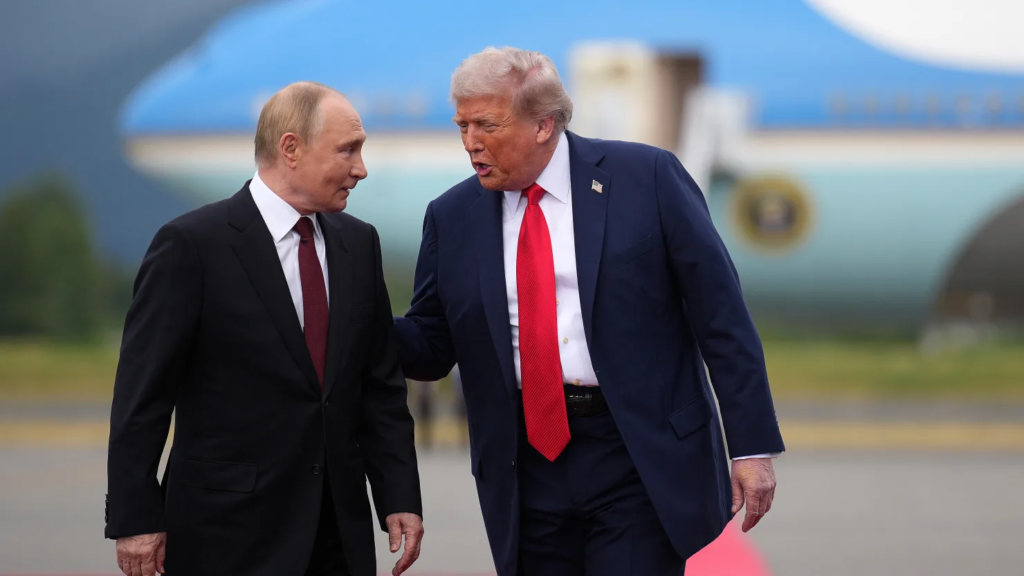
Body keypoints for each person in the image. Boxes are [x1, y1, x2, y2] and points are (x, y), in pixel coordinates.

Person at [393, 47, 785, 576]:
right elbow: (433, 343)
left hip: (635, 453)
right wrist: (357, 322)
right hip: (523, 463)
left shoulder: (646, 177)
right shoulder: (452, 216)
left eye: (486, 125)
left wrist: (752, 446)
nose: (471, 143)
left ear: (543, 125)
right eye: (462, 125)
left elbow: (722, 319)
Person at [105, 82, 423, 576]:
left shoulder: (359, 244)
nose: (361, 169)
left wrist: (399, 495)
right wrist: (135, 518)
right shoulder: (192, 246)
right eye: (348, 150)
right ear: (290, 148)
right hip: (225, 534)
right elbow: (141, 397)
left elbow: (379, 387)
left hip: (338, 534)